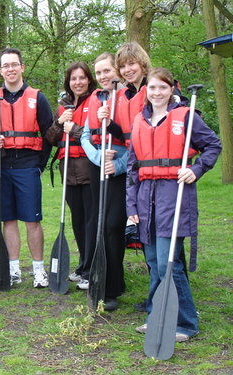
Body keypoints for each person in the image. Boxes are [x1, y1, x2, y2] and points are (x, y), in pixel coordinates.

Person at [127, 67, 221, 341]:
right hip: (146, 198)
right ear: (146, 91)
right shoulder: (139, 121)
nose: (157, 93)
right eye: (153, 88)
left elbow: (213, 145)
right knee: (155, 263)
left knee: (170, 264)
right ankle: (156, 315)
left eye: (162, 88)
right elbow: (133, 171)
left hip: (173, 194)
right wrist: (131, 207)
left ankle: (186, 322)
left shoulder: (185, 117)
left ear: (171, 91)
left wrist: (196, 169)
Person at [0, 48, 53, 288]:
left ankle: (38, 270)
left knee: (32, 220)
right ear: (0, 70)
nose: (10, 69)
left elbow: (49, 135)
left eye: (14, 64)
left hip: (27, 164)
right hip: (2, 165)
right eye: (6, 65)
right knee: (8, 220)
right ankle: (13, 269)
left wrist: (38, 165)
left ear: (22, 67)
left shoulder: (38, 98)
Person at [79, 52, 127, 311]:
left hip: (119, 171)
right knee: (99, 226)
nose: (103, 76)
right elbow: (85, 136)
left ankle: (114, 285)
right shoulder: (94, 99)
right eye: (98, 73)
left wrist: (116, 164)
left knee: (112, 226)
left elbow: (136, 140)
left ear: (116, 71)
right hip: (97, 167)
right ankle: (103, 283)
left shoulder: (128, 99)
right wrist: (99, 158)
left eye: (107, 71)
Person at [45, 61, 96, 291]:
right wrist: (59, 123)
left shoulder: (97, 101)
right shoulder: (63, 106)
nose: (78, 82)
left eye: (82, 78)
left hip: (89, 169)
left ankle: (92, 268)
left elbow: (94, 136)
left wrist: (72, 128)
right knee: (78, 221)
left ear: (88, 79)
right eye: (74, 79)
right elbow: (51, 138)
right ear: (68, 81)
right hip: (69, 171)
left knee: (90, 222)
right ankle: (84, 265)